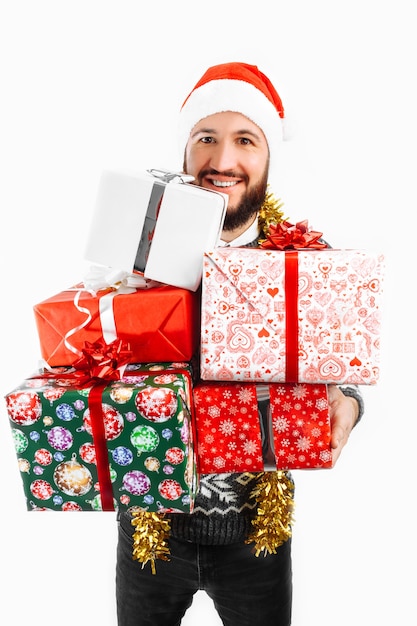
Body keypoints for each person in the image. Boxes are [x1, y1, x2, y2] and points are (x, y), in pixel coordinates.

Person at [116, 62, 364, 626]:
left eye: (244, 140)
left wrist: (347, 402)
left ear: (268, 156)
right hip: (148, 535)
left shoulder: (306, 263)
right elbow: (89, 347)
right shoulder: (132, 251)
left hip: (258, 536)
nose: (222, 161)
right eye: (206, 138)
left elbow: (340, 366)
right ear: (184, 150)